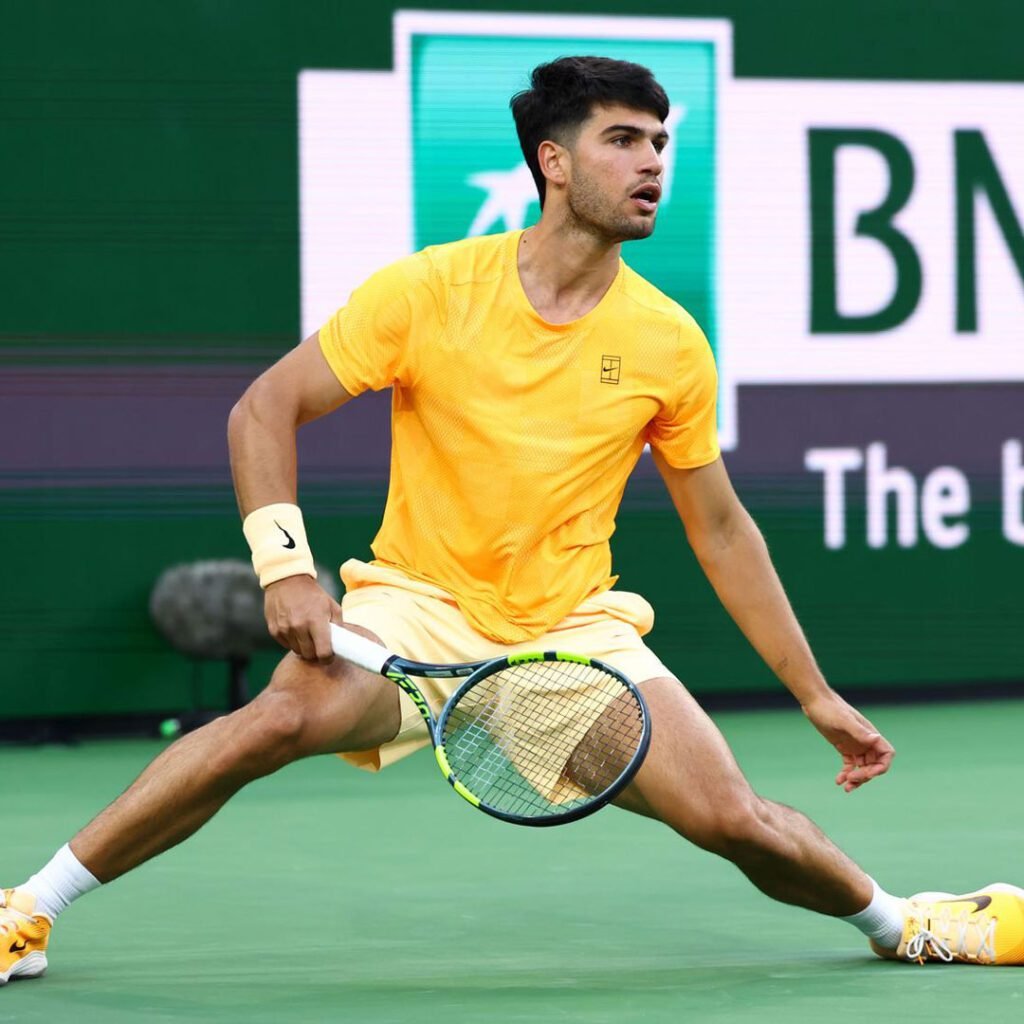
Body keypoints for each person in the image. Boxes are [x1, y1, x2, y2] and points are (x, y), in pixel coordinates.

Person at [3, 56, 1021, 985]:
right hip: (415, 613)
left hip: (569, 635)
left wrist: (814, 692)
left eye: (662, 142)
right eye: (623, 140)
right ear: (552, 161)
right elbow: (262, 409)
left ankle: (905, 922)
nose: (652, 162)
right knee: (272, 719)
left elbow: (720, 529)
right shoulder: (430, 290)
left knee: (732, 817)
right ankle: (28, 908)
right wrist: (285, 568)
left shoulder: (669, 343)